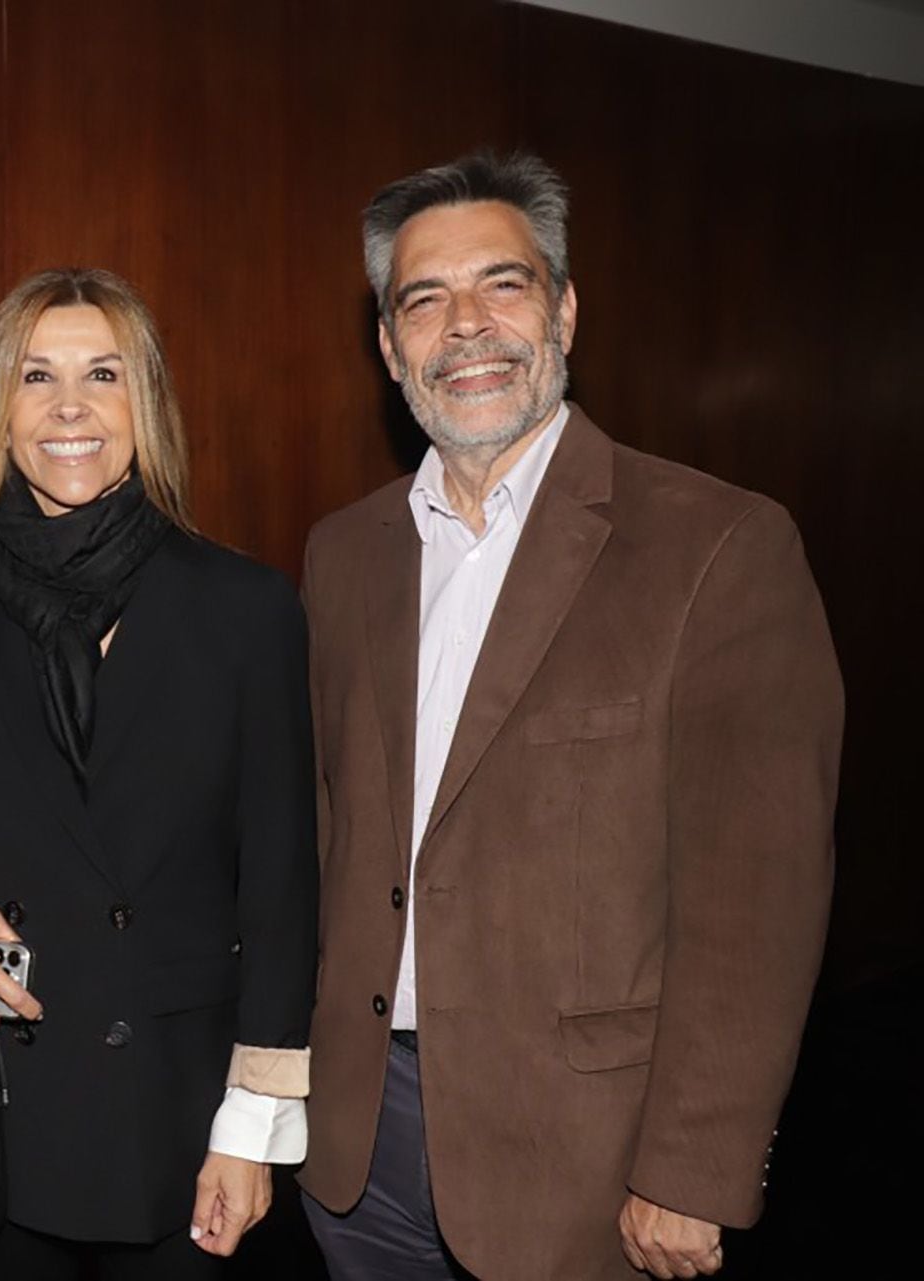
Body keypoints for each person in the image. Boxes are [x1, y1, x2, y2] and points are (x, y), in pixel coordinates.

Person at [296, 152, 843, 1281]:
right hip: (362, 1147)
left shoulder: (717, 546)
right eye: (424, 301)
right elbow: (325, 831)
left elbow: (759, 897)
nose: (467, 328)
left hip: (585, 1161)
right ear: (390, 345)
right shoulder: (342, 555)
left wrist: (691, 1167)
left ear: (565, 308)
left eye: (503, 284)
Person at [0, 268, 318, 1277]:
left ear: (145, 403)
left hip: (179, 1115)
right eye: (37, 377)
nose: (69, 407)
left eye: (102, 375)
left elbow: (285, 889)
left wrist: (252, 1129)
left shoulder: (247, 611)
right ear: (1, 409)